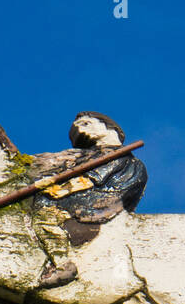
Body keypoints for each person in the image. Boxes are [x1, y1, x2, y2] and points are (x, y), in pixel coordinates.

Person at [30, 113, 147, 288]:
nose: (80, 131)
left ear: (109, 127)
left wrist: (56, 190)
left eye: (85, 124)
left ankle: (62, 263)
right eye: (75, 132)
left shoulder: (119, 156)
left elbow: (90, 179)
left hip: (100, 200)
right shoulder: (92, 155)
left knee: (45, 212)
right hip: (87, 195)